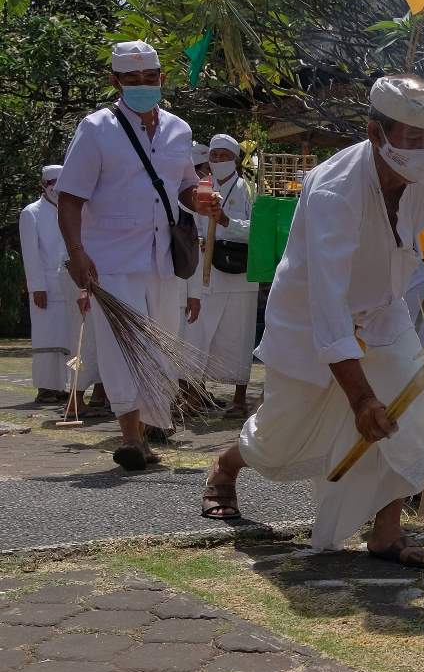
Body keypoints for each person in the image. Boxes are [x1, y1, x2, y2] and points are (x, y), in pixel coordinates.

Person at [201, 74, 424, 567]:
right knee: (281, 432)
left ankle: (387, 532)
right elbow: (328, 302)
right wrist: (360, 396)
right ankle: (227, 465)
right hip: (309, 314)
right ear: (375, 132)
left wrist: (423, 330)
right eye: (413, 140)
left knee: (405, 404)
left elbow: (403, 256)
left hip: (383, 313)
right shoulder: (335, 190)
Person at [55, 40, 214, 470]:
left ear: (162, 78)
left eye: (150, 78)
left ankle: (144, 431)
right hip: (111, 260)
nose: (143, 86)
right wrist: (76, 252)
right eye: (132, 79)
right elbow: (69, 198)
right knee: (120, 345)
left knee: (158, 346)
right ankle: (129, 437)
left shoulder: (179, 129)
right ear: (115, 81)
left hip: (162, 258)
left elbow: (183, 185)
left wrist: (201, 199)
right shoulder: (95, 128)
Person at [185, 134, 257, 417]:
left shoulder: (249, 189)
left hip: (238, 273)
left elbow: (258, 230)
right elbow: (190, 223)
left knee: (238, 335)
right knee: (200, 334)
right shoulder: (200, 188)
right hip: (205, 273)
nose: (217, 161)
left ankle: (239, 400)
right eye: (213, 156)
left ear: (235, 159)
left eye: (224, 156)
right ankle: (194, 394)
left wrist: (227, 222)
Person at [19, 166, 95, 406]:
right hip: (47, 288)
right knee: (47, 338)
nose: (56, 187)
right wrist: (36, 287)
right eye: (51, 182)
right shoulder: (31, 213)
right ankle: (46, 387)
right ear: (43, 184)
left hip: (71, 284)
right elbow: (31, 255)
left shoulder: (75, 211)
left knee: (70, 339)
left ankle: (65, 386)